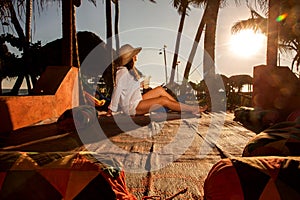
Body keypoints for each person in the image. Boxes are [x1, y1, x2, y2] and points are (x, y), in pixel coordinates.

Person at [106, 44, 207, 116]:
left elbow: (127, 88)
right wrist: (111, 109)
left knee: (159, 90)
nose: (136, 57)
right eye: (134, 55)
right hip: (132, 108)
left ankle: (178, 107)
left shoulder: (128, 71)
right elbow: (117, 89)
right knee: (163, 100)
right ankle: (193, 109)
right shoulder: (122, 72)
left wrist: (141, 85)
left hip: (137, 101)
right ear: (131, 58)